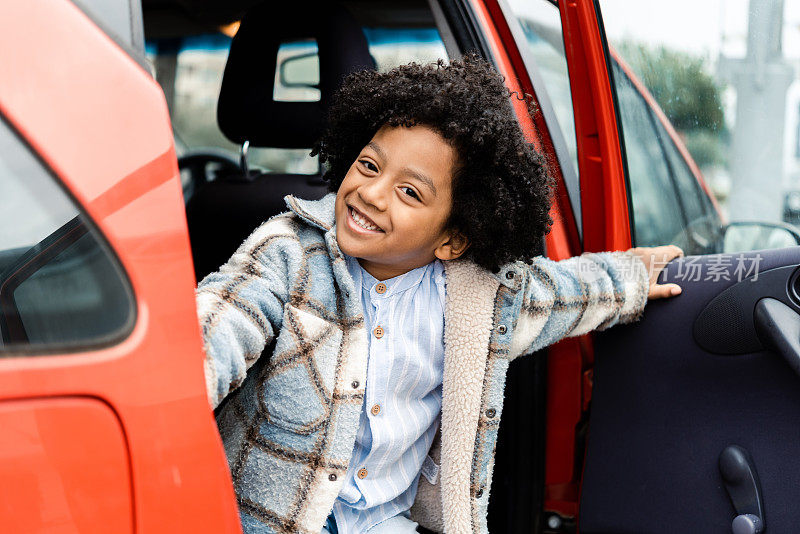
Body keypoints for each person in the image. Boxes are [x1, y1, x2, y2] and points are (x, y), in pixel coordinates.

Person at [197, 54, 683, 534]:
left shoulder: (479, 299)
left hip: (383, 522)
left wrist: (632, 277)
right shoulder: (289, 251)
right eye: (369, 165)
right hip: (266, 520)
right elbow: (222, 319)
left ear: (453, 239)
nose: (372, 193)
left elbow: (565, 295)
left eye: (410, 193)